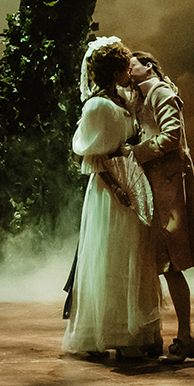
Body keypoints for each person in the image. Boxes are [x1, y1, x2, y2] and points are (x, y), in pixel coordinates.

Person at [62, 37, 162, 358]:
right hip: (109, 192)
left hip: (131, 187)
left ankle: (134, 332)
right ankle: (107, 333)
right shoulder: (98, 106)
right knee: (110, 258)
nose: (129, 73)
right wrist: (116, 187)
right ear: (113, 72)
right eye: (124, 68)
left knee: (132, 256)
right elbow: (94, 157)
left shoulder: (123, 100)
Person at [125, 49, 194, 360]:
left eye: (132, 65)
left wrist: (134, 153)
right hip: (155, 182)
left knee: (170, 262)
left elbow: (171, 137)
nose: (128, 70)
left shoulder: (161, 92)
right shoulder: (143, 97)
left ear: (149, 66)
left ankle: (186, 335)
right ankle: (160, 334)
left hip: (168, 183)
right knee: (160, 262)